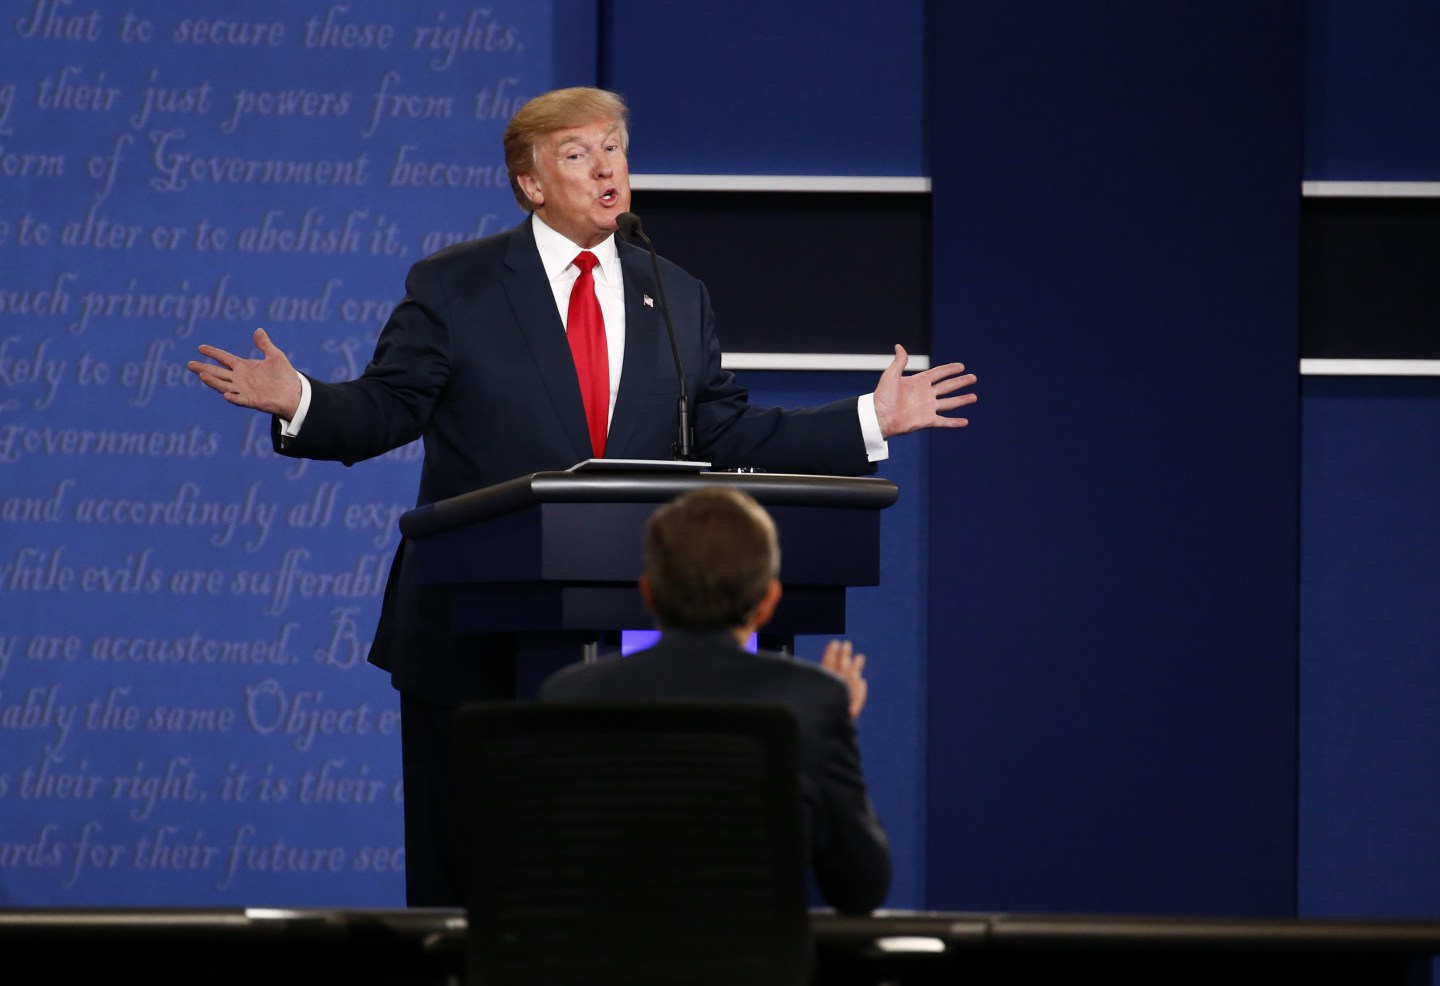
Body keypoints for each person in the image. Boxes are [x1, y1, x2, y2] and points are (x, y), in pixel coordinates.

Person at [186, 86, 975, 906]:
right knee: (467, 892)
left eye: (614, 148)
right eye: (578, 153)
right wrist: (302, 399)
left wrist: (868, 419)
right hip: (472, 636)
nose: (606, 168)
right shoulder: (457, 285)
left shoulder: (675, 293)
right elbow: (390, 406)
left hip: (627, 637)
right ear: (530, 183)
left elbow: (725, 433)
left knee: (609, 888)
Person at [539, 485, 891, 914]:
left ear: (648, 593)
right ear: (768, 601)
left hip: (601, 952)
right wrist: (833, 730)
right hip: (753, 954)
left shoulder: (568, 696)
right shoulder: (809, 704)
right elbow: (861, 888)